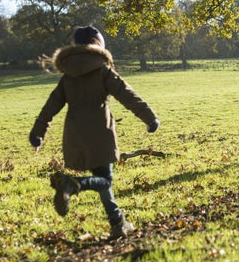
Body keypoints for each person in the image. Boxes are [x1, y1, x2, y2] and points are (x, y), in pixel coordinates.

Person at [28, 26, 160, 240]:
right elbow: (127, 95)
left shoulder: (67, 77)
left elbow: (50, 106)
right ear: (96, 43)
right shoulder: (102, 71)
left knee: (102, 177)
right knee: (105, 181)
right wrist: (150, 118)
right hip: (100, 132)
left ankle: (117, 222)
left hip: (75, 135)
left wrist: (37, 133)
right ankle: (74, 184)